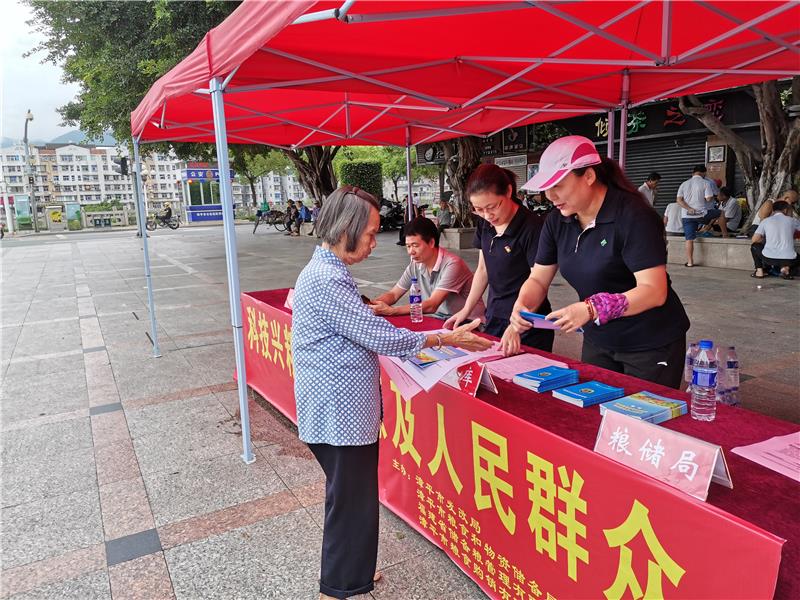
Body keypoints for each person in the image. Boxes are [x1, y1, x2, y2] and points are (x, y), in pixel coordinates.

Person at [292, 185, 491, 600]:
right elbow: (380, 337)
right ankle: (338, 587)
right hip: (339, 414)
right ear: (345, 228)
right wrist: (444, 338)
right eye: (370, 234)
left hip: (336, 410)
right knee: (350, 502)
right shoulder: (327, 277)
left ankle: (354, 572)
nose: (373, 243)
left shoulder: (328, 270)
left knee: (352, 496)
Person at [507, 135, 690, 389]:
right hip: (598, 338)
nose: (550, 195)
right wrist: (522, 305)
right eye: (546, 188)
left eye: (558, 185)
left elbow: (654, 290)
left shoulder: (634, 216)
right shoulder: (557, 221)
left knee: (641, 412)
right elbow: (538, 277)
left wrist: (592, 309)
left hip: (650, 342)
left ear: (589, 176)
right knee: (593, 405)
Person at [443, 164, 554, 354]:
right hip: (495, 316)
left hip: (528, 320)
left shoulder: (532, 227)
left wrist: (517, 324)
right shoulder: (485, 224)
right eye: (479, 209)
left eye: (492, 207)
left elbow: (538, 280)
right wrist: (466, 310)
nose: (487, 215)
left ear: (508, 192)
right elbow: (482, 270)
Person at [369, 216, 485, 322]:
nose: (411, 252)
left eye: (415, 245)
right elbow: (394, 294)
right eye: (408, 246)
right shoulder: (415, 264)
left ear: (431, 242)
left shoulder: (452, 264)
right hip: (439, 320)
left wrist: (393, 311)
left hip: (467, 322)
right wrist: (372, 304)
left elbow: (432, 305)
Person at [677, 164, 727, 267]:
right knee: (721, 213)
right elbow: (708, 198)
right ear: (704, 173)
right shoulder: (706, 183)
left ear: (693, 173)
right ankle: (725, 235)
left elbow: (679, 200)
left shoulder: (684, 184)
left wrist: (689, 208)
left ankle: (690, 262)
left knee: (689, 239)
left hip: (687, 216)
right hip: (701, 214)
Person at [750, 200, 800, 280]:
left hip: (769, 259)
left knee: (754, 246)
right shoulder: (793, 221)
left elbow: (754, 239)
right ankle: (785, 269)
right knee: (796, 257)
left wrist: (766, 240)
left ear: (773, 210)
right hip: (789, 260)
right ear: (785, 210)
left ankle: (759, 272)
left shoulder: (765, 221)